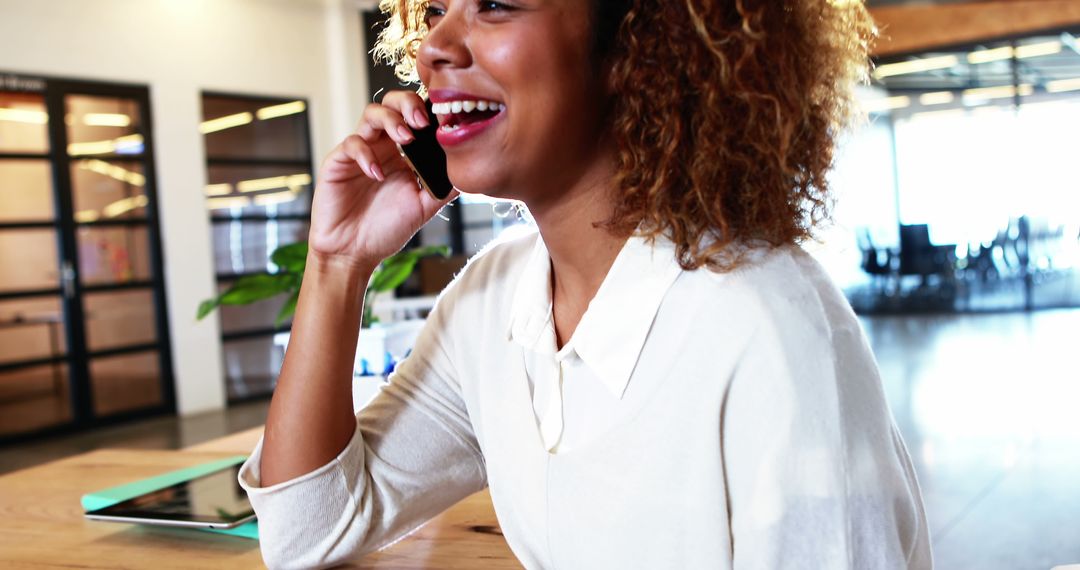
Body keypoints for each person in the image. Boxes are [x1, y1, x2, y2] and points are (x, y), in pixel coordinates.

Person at [238, 0, 933, 568]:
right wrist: (337, 265)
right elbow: (305, 532)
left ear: (634, 48)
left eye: (495, 5)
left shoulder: (771, 326)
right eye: (436, 9)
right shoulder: (493, 303)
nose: (434, 48)